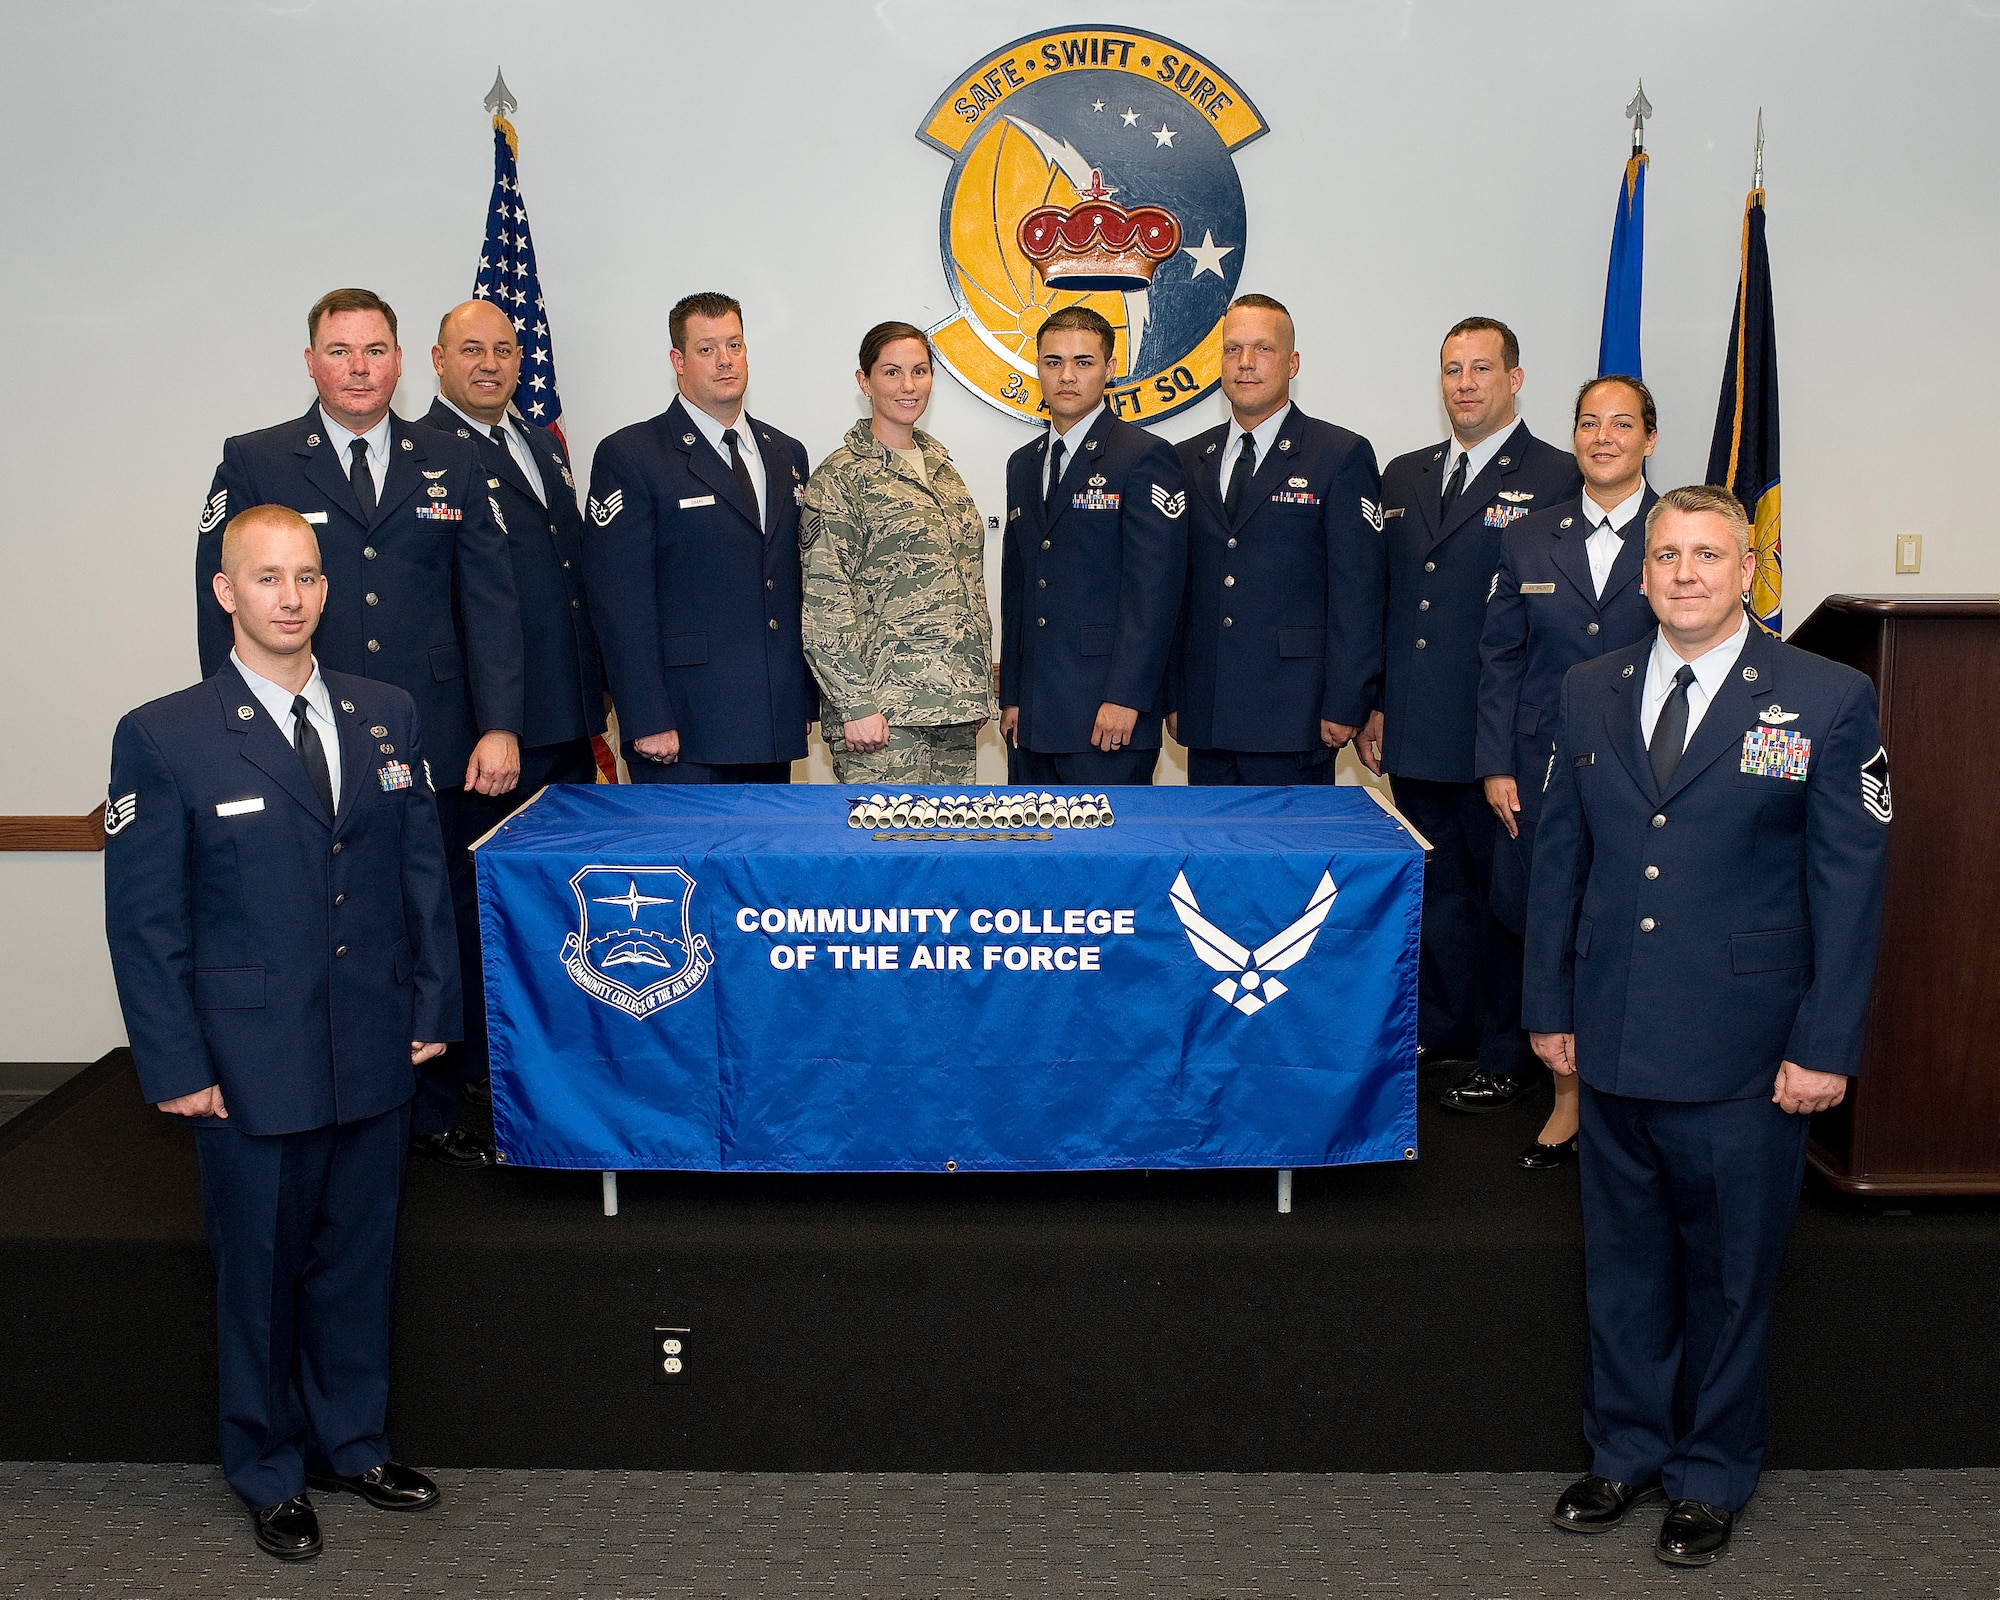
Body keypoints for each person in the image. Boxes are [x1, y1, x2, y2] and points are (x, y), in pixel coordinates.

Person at [1526, 486, 1891, 1566]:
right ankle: (1625, 1450)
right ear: (1641, 573)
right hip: (1611, 1032)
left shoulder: (1824, 698)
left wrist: (1825, 1043)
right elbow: (1560, 857)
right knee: (1622, 1266)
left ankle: (1710, 1472)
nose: (1684, 573)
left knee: (1729, 1277)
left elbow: (1849, 884)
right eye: (1666, 555)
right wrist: (1547, 1006)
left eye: (1707, 555)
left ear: (1747, 571)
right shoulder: (1588, 687)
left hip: (1748, 1049)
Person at [108, 506, 458, 1562]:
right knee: (259, 1277)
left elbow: (419, 873)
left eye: (305, 576)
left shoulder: (385, 712)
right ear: (226, 592)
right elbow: (146, 923)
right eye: (266, 578)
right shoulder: (164, 734)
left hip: (373, 1044)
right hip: (247, 1063)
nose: (290, 597)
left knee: (357, 1261)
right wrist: (175, 1064)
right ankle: (267, 1468)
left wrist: (432, 1005)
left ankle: (353, 1443)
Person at [195, 287, 521, 1170]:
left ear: (401, 361)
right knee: (316, 919)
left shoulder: (452, 457)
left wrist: (500, 724)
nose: (359, 368)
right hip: (299, 741)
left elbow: (489, 601)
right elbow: (217, 602)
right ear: (311, 362)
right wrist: (231, 737)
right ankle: (311, 1092)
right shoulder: (257, 459)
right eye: (339, 351)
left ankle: (433, 1109)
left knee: (429, 914)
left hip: (435, 735)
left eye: (375, 350)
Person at [1359, 317, 1581, 1102]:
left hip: (1501, 735)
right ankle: (1444, 1028)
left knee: (1504, 898)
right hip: (1415, 725)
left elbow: (1555, 622)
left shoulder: (1557, 475)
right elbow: (1390, 600)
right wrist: (1376, 703)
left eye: (1481, 369)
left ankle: (1506, 1050)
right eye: (1453, 369)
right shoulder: (1404, 474)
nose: (1465, 384)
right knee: (1439, 890)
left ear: (1514, 379)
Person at [1475, 376, 1660, 1167]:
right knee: (1550, 921)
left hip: (1653, 768)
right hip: (1541, 765)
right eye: (1589, 423)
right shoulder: (1528, 537)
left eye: (1621, 424)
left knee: (1631, 925)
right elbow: (1500, 658)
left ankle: (1636, 1098)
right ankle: (1567, 1102)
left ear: (1650, 438)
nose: (1603, 437)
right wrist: (1495, 763)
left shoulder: (1678, 530)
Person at [583, 292, 816, 782]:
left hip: (772, 719)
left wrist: (800, 699)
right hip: (682, 730)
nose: (725, 360)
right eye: (707, 349)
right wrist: (646, 716)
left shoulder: (786, 453)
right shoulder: (632, 454)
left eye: (734, 344)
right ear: (678, 361)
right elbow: (619, 601)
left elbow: (792, 582)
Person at [1168, 293, 1384, 782]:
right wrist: (1175, 694)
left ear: (1292, 363)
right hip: (1207, 711)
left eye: (1263, 349)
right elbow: (1174, 593)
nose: (1245, 362)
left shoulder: (1338, 454)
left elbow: (1359, 593)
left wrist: (1347, 700)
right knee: (1208, 835)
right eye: (1233, 349)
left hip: (1296, 712)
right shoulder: (1186, 459)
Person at [1000, 305, 1186, 785]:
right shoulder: (1022, 463)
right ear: (1038, 368)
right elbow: (1018, 588)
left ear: (1110, 368)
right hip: (1033, 718)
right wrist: (1013, 697)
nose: (1067, 375)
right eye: (1053, 361)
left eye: (1083, 362)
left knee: (1109, 837)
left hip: (1108, 717)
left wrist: (1127, 697)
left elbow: (1155, 593)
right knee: (1030, 836)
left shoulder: (1144, 456)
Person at [800, 322, 993, 783]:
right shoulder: (841, 477)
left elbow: (969, 585)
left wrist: (978, 688)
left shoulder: (944, 471)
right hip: (882, 718)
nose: (908, 385)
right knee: (889, 834)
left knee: (954, 832)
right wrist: (855, 705)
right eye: (892, 372)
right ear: (864, 382)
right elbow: (825, 602)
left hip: (955, 708)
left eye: (919, 371)